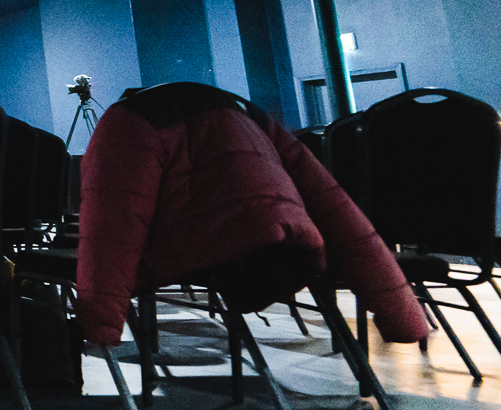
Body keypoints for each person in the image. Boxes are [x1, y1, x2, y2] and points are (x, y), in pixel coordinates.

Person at [76, 81, 429, 348]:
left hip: (210, 260)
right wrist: (402, 317)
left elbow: (112, 228)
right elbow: (338, 211)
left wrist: (100, 326)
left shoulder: (127, 121)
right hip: (291, 257)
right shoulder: (248, 114)